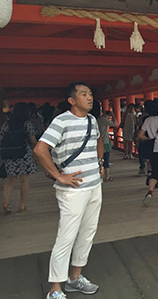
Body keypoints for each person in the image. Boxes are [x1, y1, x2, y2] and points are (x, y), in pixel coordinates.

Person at [34, 82, 104, 299]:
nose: (89, 98)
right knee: (66, 236)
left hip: (94, 186)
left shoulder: (92, 120)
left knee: (87, 234)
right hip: (72, 189)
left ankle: (75, 278)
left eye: (90, 94)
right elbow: (40, 148)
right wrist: (57, 175)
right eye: (84, 94)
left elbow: (99, 140)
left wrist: (100, 161)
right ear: (72, 100)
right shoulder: (61, 120)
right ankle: (55, 287)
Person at [1, 102, 38, 214]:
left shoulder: (7, 124)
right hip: (24, 154)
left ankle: (5, 202)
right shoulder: (27, 124)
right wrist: (35, 155)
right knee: (24, 180)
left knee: (11, 180)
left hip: (10, 154)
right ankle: (21, 205)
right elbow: (33, 141)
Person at [91, 102, 117, 182]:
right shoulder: (102, 120)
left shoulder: (90, 119)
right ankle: (107, 176)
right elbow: (115, 123)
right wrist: (112, 114)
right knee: (105, 159)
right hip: (104, 142)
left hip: (93, 142)